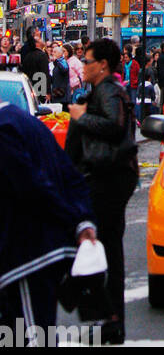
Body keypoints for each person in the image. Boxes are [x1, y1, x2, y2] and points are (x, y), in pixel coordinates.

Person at [0, 102, 97, 338]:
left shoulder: (4, 131)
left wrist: (72, 220)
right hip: (46, 249)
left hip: (26, 253)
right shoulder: (28, 122)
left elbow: (31, 186)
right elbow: (69, 174)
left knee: (31, 336)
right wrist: (82, 222)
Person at [65, 38, 139, 346]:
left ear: (103, 65)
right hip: (103, 177)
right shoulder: (100, 91)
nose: (84, 65)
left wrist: (82, 117)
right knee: (104, 246)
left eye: (88, 61)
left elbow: (114, 125)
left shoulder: (110, 91)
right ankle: (107, 317)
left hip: (107, 179)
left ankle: (105, 314)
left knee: (100, 243)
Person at [19, 30, 49, 102]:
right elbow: (44, 74)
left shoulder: (27, 56)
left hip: (30, 88)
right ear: (37, 43)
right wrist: (47, 92)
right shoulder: (42, 56)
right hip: (40, 91)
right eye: (40, 39)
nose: (42, 41)